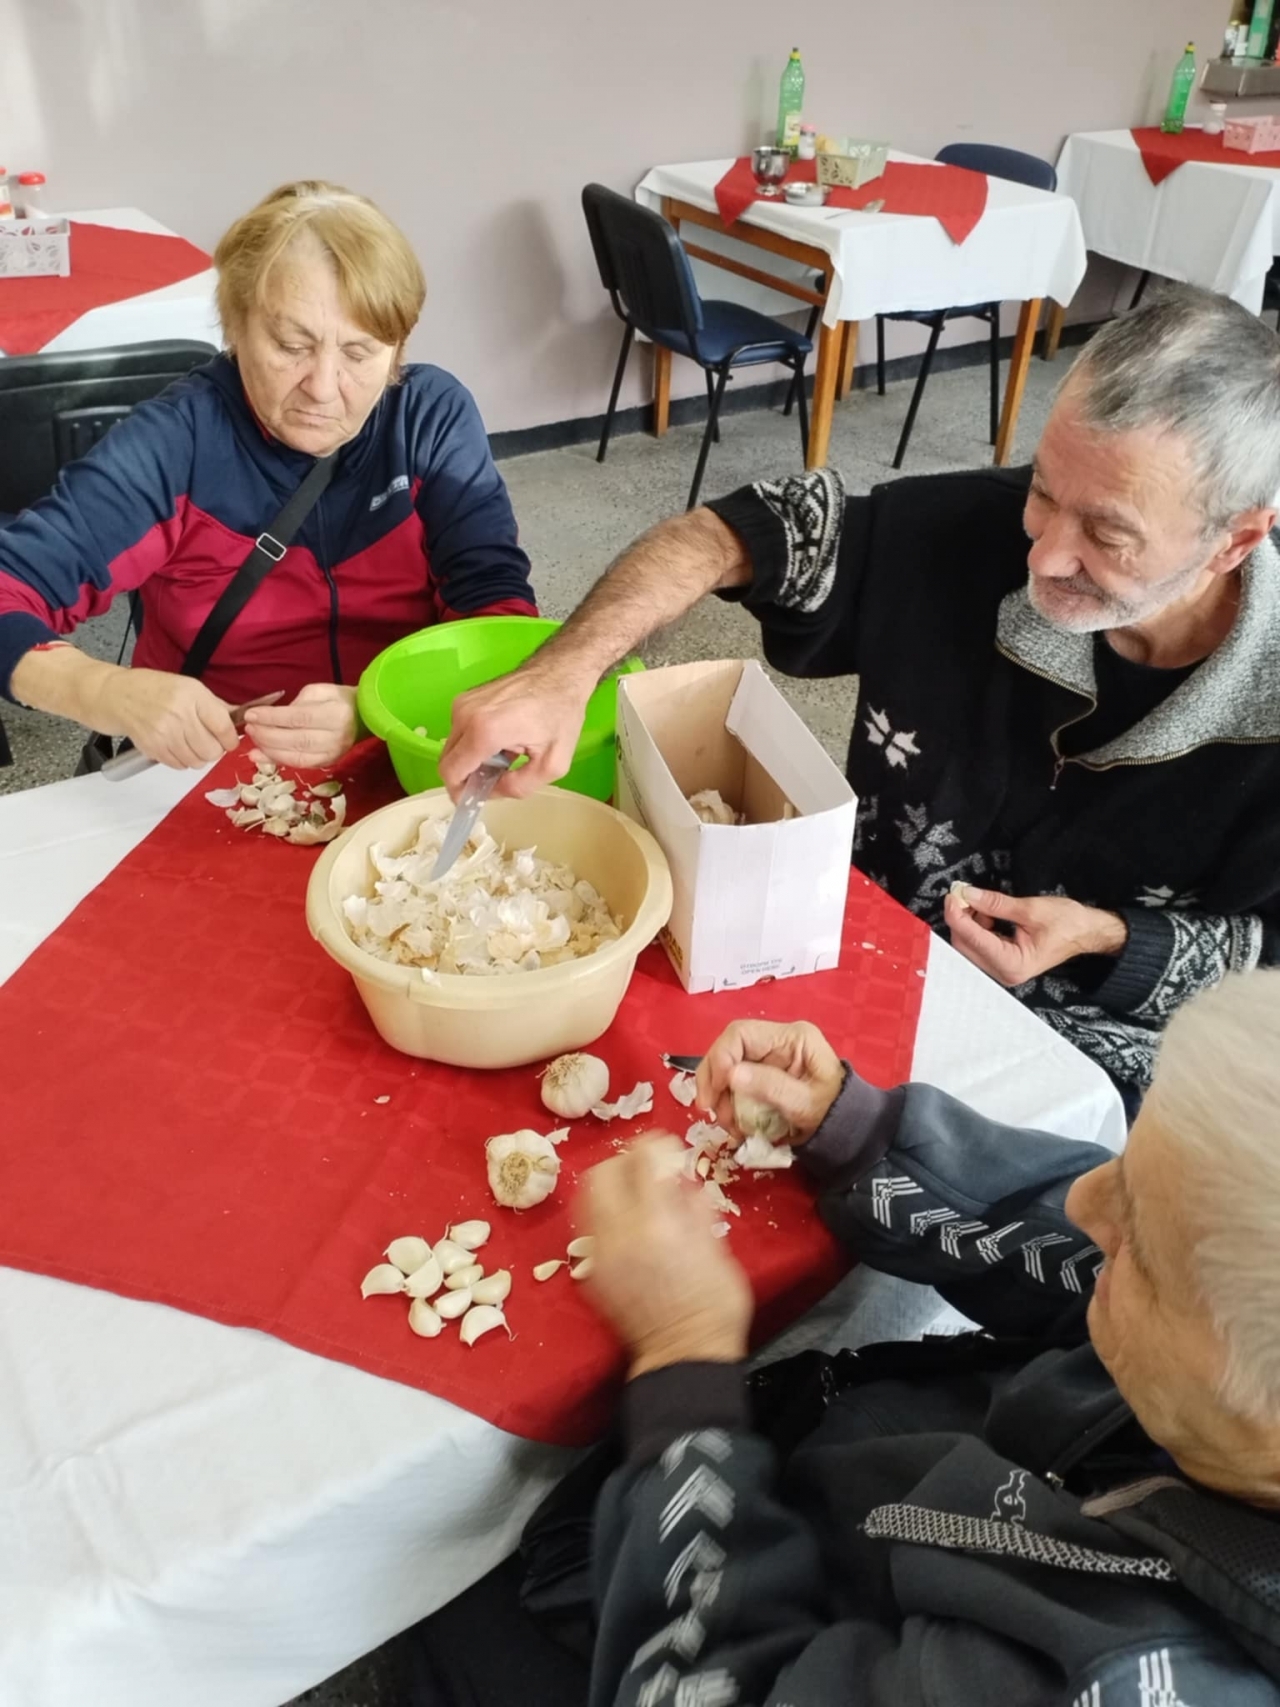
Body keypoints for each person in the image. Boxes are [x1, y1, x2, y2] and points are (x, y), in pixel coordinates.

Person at [439, 287, 1280, 1111]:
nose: (1045, 557)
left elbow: (1266, 976)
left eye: (1107, 534)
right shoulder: (971, 532)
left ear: (1235, 540)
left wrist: (1104, 936)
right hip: (866, 961)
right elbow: (723, 536)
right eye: (1044, 491)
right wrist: (564, 670)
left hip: (1098, 1056)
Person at [402, 972, 1280, 1705]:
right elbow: (1067, 1236)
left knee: (446, 1599)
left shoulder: (1111, 1679)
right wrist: (854, 1131)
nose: (1088, 1204)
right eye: (1124, 1166)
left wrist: (683, 1356)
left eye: (1138, 1248)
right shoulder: (1220, 1342)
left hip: (795, 1617)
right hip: (867, 1463)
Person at [0, 180, 535, 771]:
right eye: (290, 345)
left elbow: (498, 617)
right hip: (216, 766)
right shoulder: (179, 442)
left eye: (359, 354)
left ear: (397, 352)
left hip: (406, 744)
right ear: (234, 328)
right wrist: (105, 690)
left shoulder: (428, 418)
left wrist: (379, 707)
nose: (323, 388)